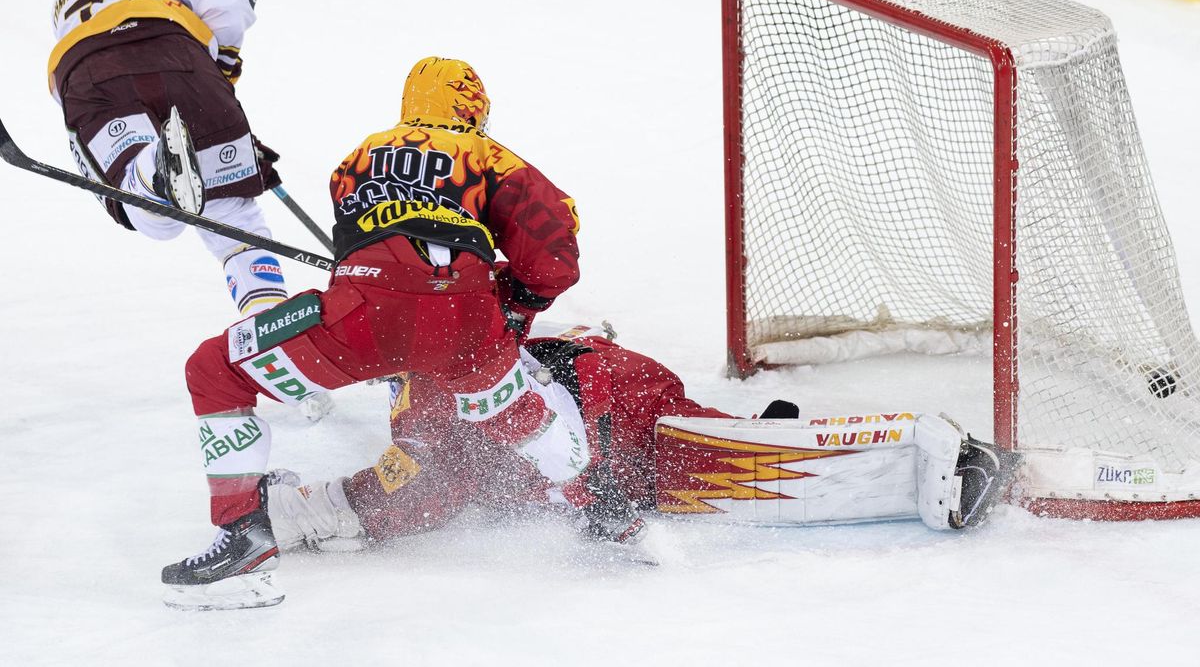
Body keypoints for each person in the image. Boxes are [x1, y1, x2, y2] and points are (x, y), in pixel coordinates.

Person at [160, 56, 584, 610]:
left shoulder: (354, 160)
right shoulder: (490, 155)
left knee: (214, 369)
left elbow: (363, 251)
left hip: (364, 313)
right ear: (473, 108)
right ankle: (599, 504)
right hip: (468, 326)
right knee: (513, 413)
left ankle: (243, 540)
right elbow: (555, 252)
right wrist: (515, 304)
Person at [263, 323, 1015, 561]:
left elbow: (408, 489)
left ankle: (929, 461)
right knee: (699, 437)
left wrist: (302, 508)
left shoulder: (423, 406)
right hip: (614, 382)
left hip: (600, 425)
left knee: (685, 460)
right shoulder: (457, 323)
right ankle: (777, 437)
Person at [50, 0, 291, 317]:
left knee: (146, 211)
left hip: (86, 79)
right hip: (172, 53)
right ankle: (270, 317)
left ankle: (149, 172)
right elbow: (227, 1)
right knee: (230, 202)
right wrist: (221, 76)